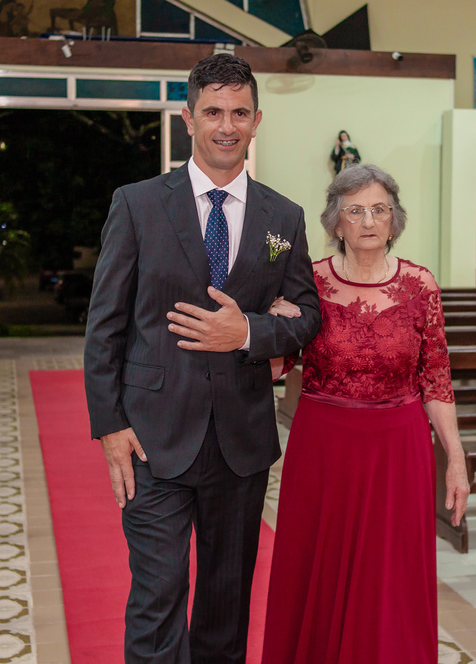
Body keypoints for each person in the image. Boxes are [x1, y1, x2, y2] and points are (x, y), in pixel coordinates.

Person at [84, 54, 321, 664]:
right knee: (157, 597)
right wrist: (110, 426)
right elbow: (105, 325)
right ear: (188, 119)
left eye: (239, 113)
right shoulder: (137, 204)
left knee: (225, 604)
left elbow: (308, 316)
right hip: (153, 438)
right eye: (213, 112)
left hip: (241, 441)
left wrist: (249, 333)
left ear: (257, 120)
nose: (226, 126)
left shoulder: (283, 216)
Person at [261, 164, 469, 664]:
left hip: (399, 450)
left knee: (390, 573)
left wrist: (456, 459)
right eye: (355, 211)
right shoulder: (309, 284)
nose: (369, 221)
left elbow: (436, 379)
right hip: (323, 449)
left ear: (394, 220)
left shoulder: (420, 285)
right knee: (318, 565)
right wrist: (267, 323)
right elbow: (276, 367)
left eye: (380, 209)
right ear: (336, 222)